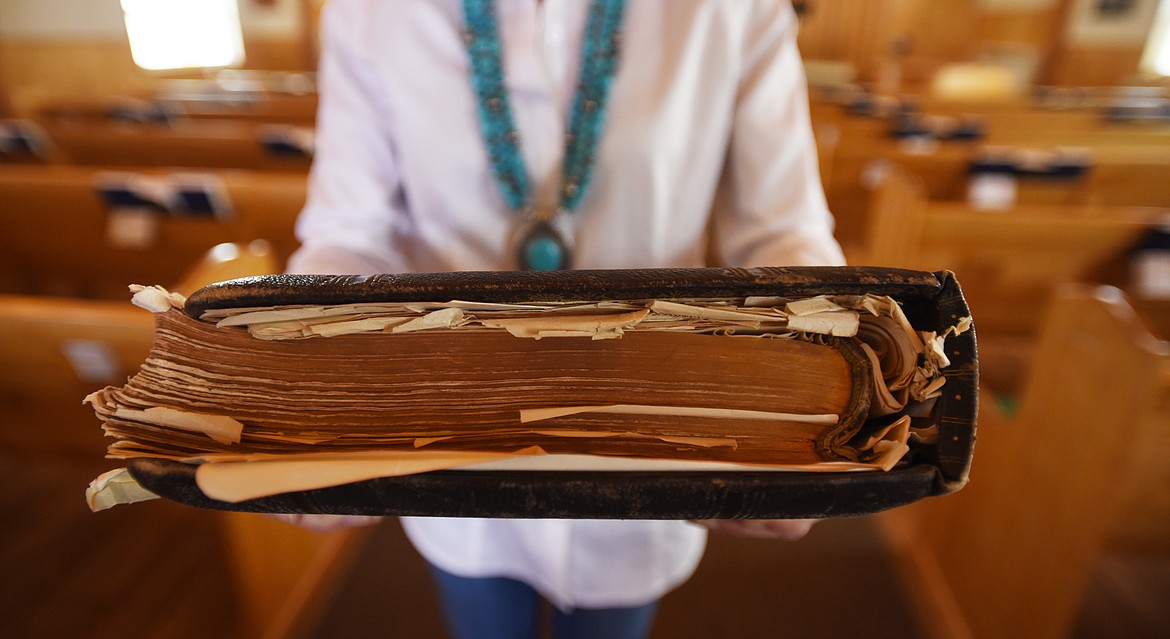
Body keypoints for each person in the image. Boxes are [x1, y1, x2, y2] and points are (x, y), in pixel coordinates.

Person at [283, 1, 844, 637]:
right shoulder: (368, 11)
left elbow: (784, 234)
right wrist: (302, 388)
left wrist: (816, 395)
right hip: (452, 443)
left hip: (645, 447)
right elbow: (350, 234)